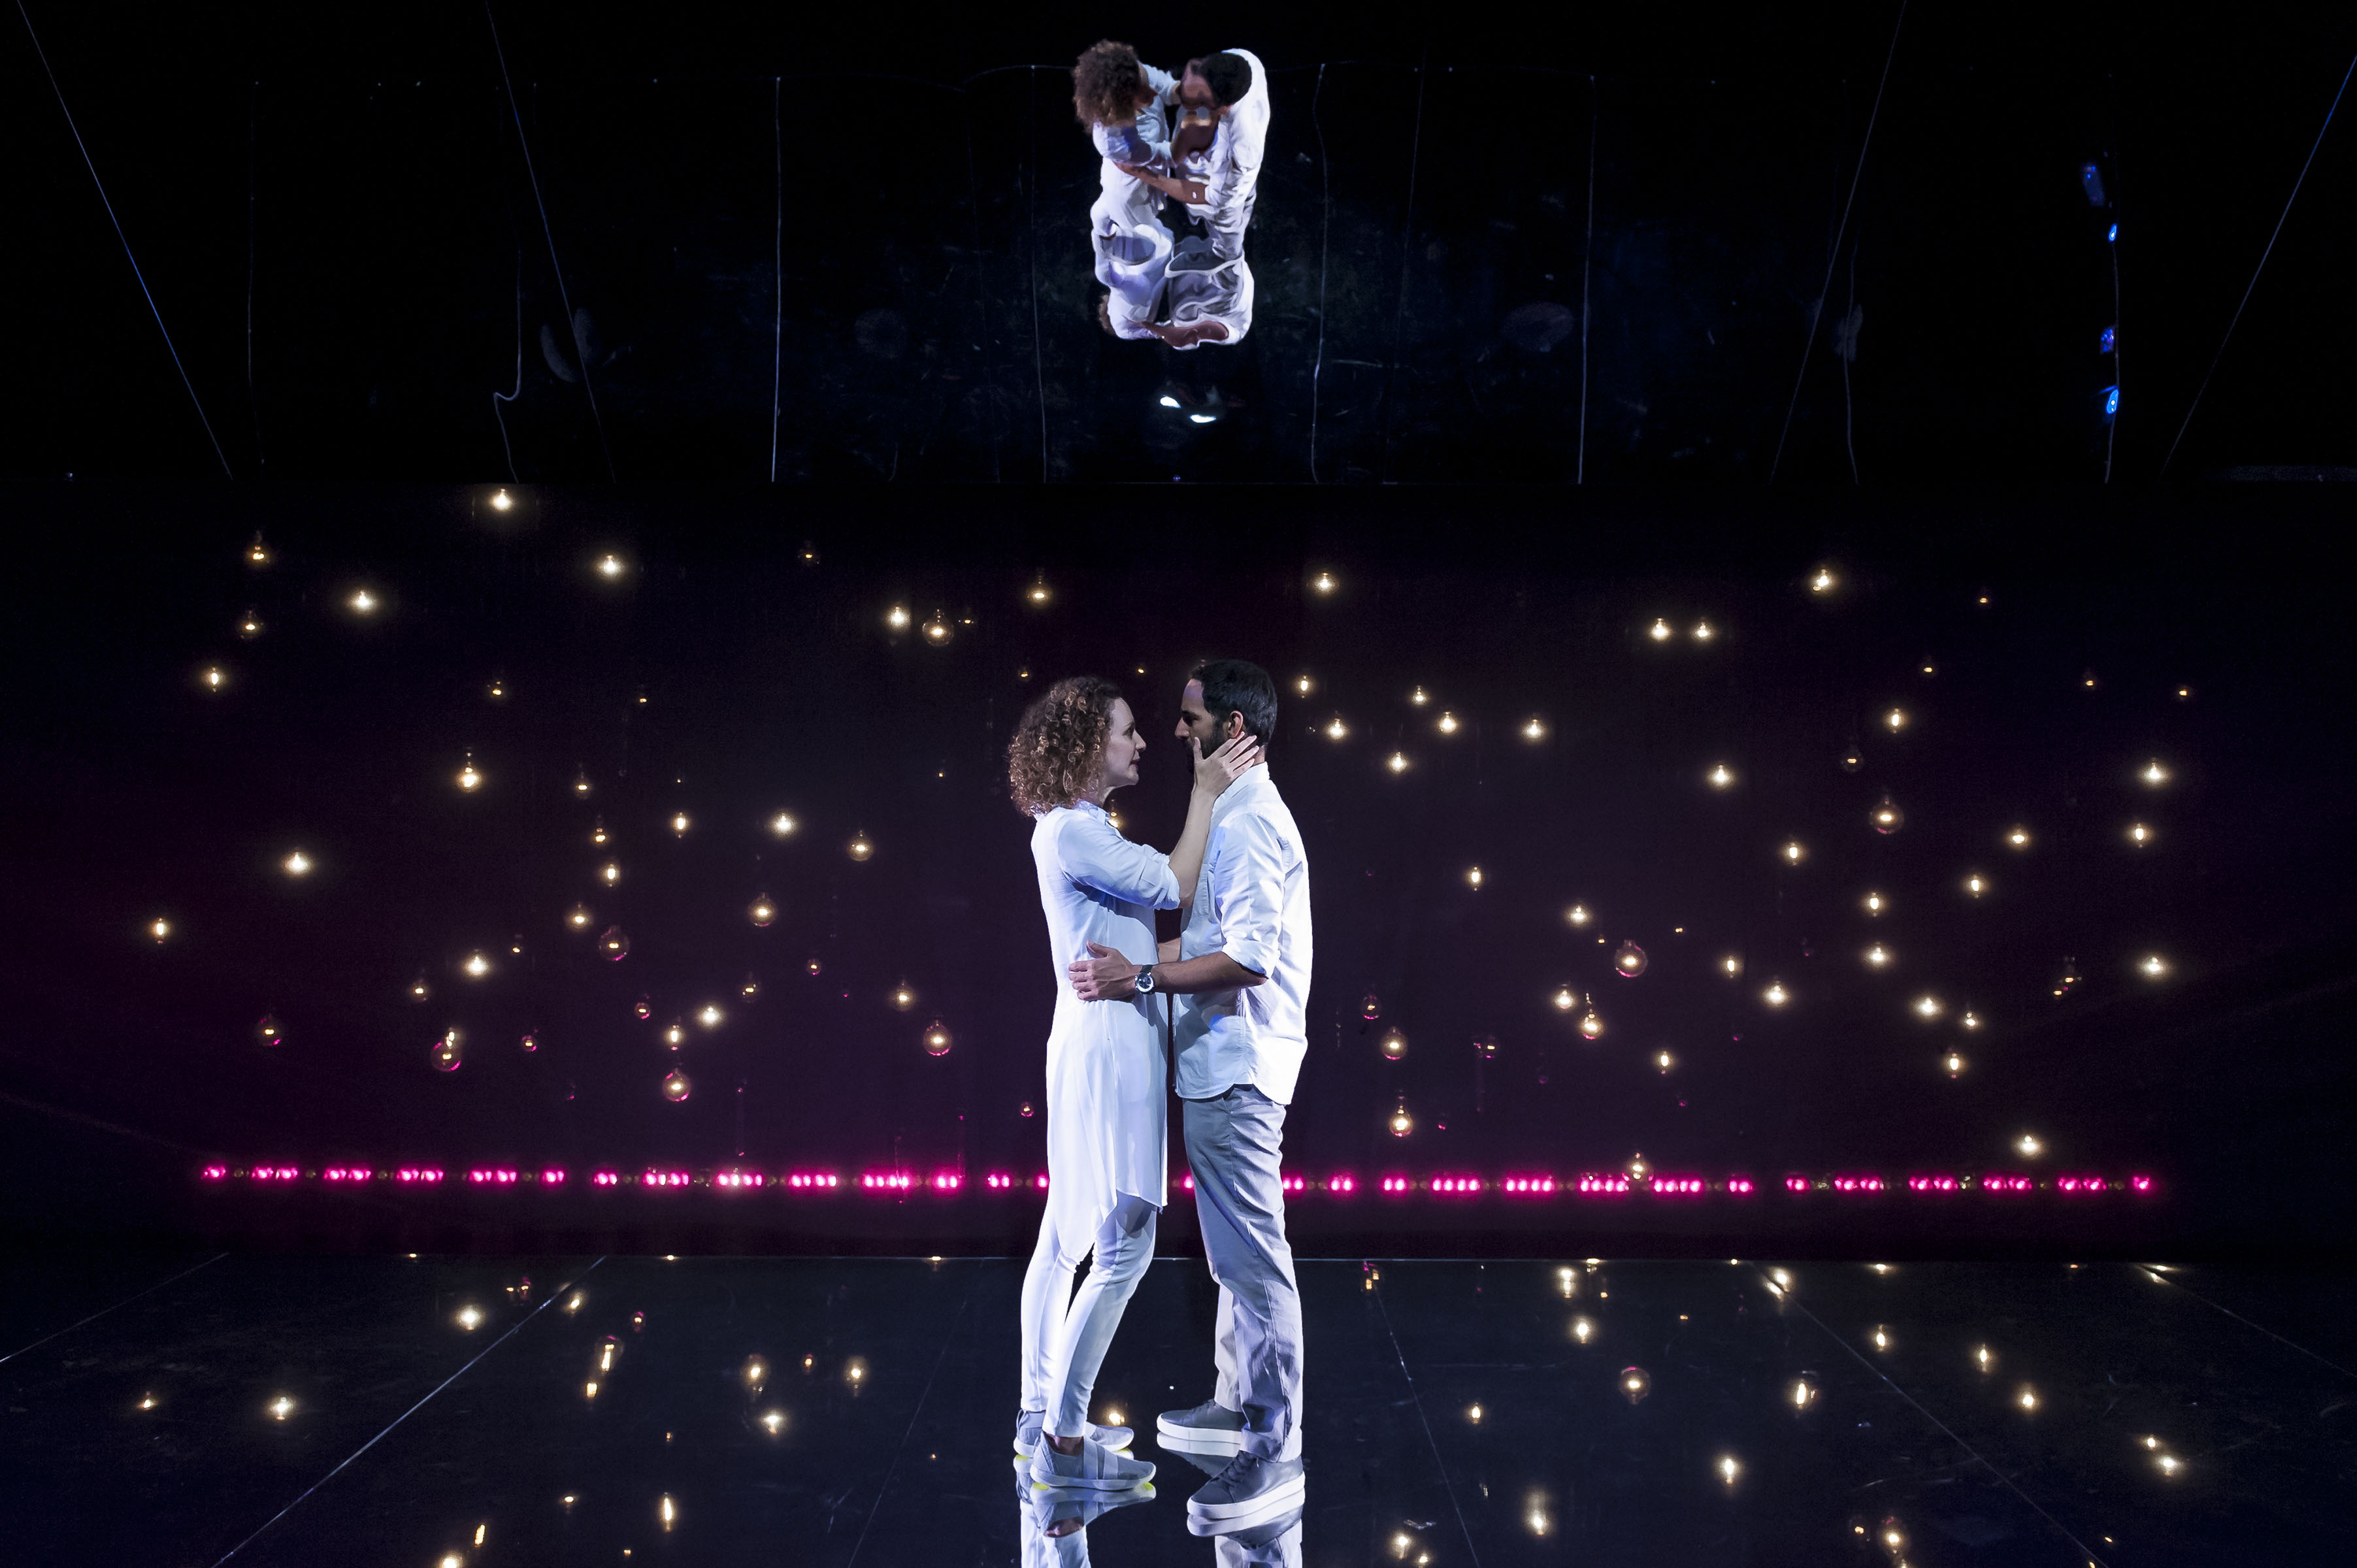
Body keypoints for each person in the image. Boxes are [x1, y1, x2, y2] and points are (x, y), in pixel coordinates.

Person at [1068, 659, 1310, 1533]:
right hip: (1218, 1064)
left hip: (1238, 1067)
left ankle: (1273, 1448)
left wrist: (1142, 976)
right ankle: (1238, 1405)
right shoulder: (1235, 812)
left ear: (1233, 730)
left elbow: (1250, 956)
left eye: (1189, 718)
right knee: (1232, 1261)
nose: (1176, 731)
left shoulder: (1248, 823)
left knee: (1254, 1263)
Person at [1010, 675, 1263, 1501]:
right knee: (1123, 1249)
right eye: (1126, 731)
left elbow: (1151, 905)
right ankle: (1063, 1438)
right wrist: (1204, 791)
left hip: (1098, 1044)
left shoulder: (1076, 829)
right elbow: (1173, 888)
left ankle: (1042, 1417)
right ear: (1088, 745)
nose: (1143, 741)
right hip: (1111, 1050)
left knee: (1067, 1242)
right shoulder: (1074, 834)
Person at [1117, 50, 1269, 264]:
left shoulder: (1241, 150)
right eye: (1194, 69)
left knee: (1228, 221)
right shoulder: (1241, 59)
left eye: (1195, 101)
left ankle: (1227, 262)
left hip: (1225, 193)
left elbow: (1211, 197)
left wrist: (1145, 175)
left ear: (1221, 109)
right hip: (1208, 142)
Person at [1073, 41, 1181, 340]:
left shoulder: (1131, 78)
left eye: (1144, 85)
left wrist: (1174, 89)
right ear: (1120, 103)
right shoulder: (1111, 140)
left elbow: (1156, 82)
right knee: (1157, 237)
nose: (1150, 93)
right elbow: (1158, 154)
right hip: (1132, 189)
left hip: (1126, 192)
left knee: (1150, 236)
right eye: (1142, 93)